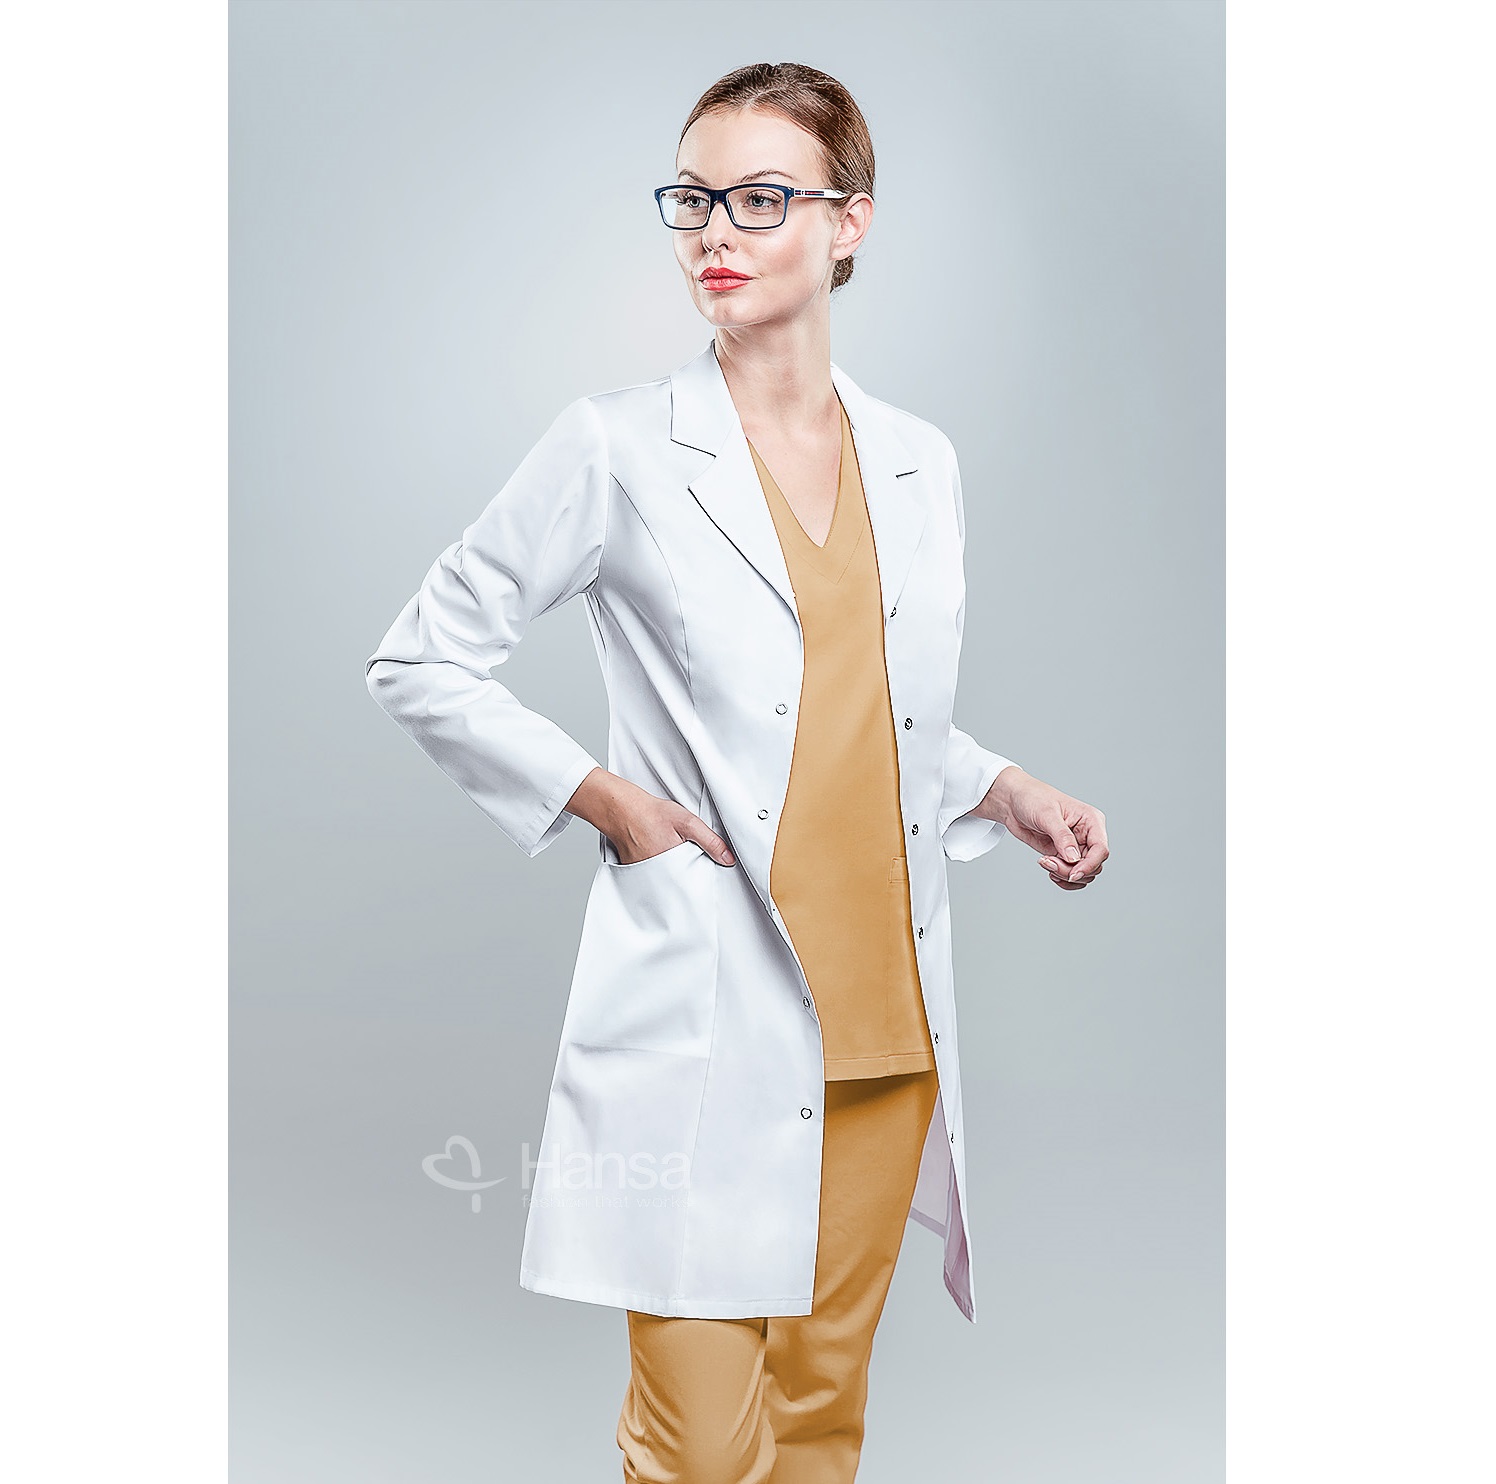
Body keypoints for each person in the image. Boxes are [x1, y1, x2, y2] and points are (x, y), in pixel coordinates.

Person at [366, 59, 1108, 1484]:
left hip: (886, 1032)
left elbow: (861, 711)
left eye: (763, 198)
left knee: (819, 1432)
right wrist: (604, 799)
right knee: (699, 1453)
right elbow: (422, 656)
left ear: (850, 221)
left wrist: (1005, 788)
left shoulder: (918, 462)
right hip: (708, 1020)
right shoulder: (616, 447)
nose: (717, 229)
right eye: (694, 197)